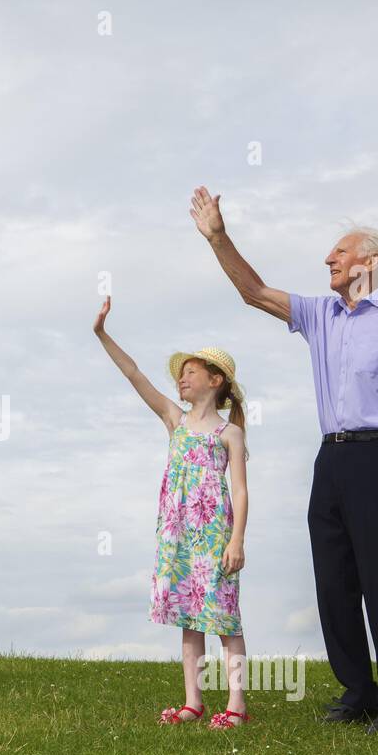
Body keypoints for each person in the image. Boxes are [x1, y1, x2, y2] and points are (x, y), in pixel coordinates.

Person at [189, 185, 378, 735]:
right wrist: (218, 237)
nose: (328, 259)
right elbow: (253, 290)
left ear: (370, 263)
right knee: (333, 581)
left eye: (339, 251)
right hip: (329, 462)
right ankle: (357, 692)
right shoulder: (320, 313)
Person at [93, 295, 252, 730]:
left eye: (191, 372)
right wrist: (102, 333)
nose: (182, 379)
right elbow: (133, 373)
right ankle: (193, 702)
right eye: (181, 374)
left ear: (215, 380)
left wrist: (236, 540)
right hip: (178, 535)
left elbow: (239, 490)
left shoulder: (229, 433)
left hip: (215, 534)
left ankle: (236, 706)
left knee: (224, 619)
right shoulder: (174, 420)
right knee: (188, 619)